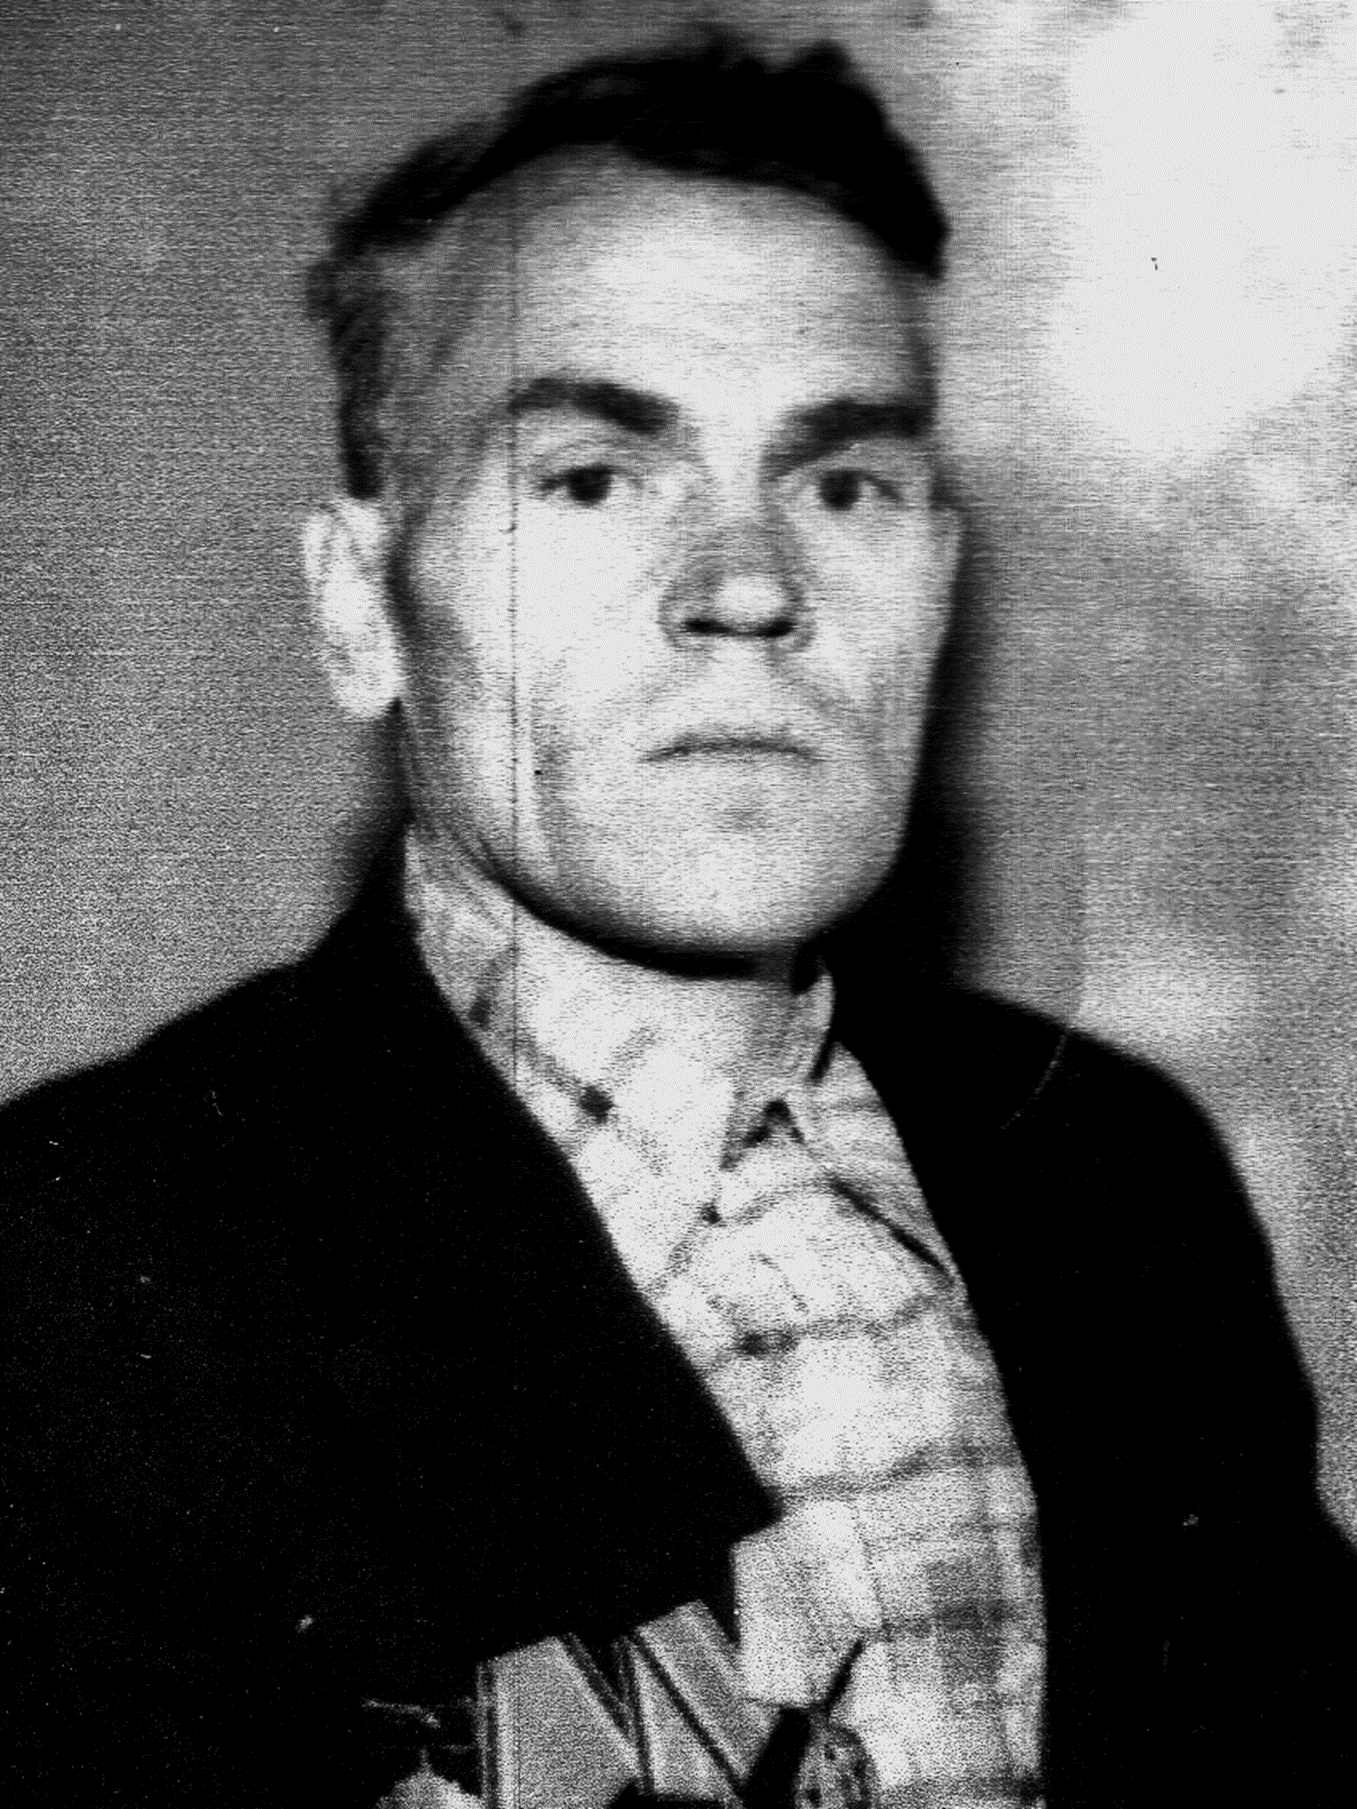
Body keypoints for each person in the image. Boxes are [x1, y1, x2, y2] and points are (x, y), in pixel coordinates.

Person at [1, 32, 1352, 1809]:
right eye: (591, 476)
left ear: (939, 583)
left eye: (843, 484)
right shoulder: (72, 1287)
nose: (748, 585)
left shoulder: (1116, 1173)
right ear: (361, 610)